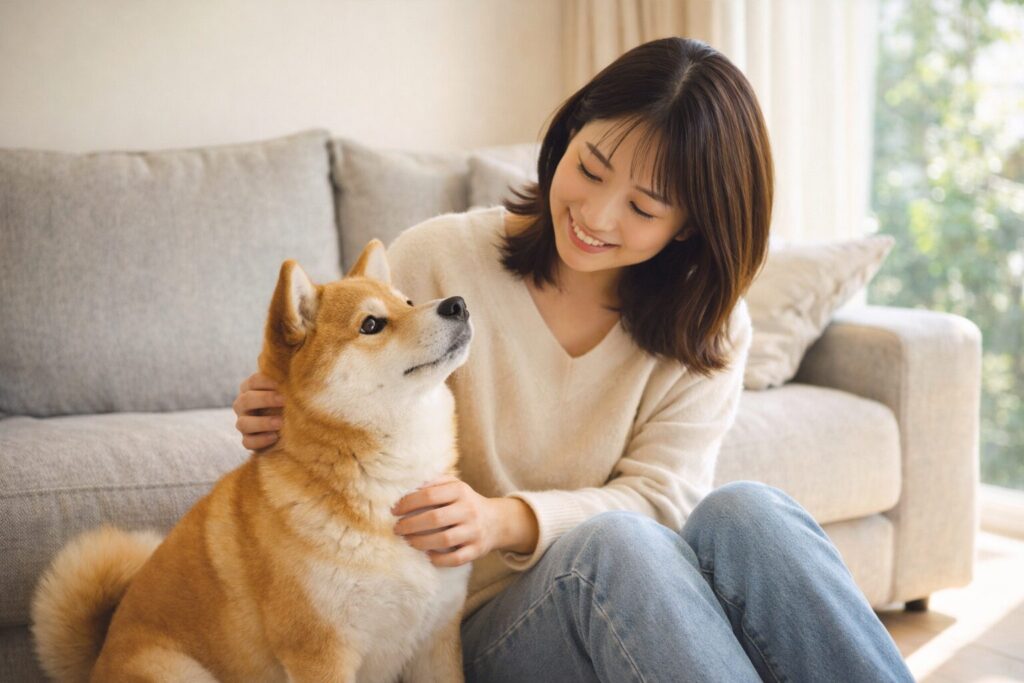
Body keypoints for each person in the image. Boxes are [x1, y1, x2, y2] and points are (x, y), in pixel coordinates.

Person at [233, 37, 914, 682]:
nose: (596, 214)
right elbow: (334, 375)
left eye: (643, 207)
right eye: (589, 168)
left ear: (692, 226)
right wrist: (278, 403)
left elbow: (662, 500)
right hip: (466, 628)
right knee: (615, 546)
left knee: (749, 512)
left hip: (635, 604)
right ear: (570, 131)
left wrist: (507, 518)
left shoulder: (710, 328)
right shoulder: (438, 260)